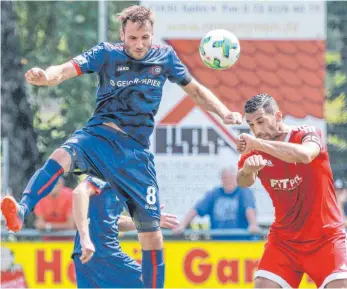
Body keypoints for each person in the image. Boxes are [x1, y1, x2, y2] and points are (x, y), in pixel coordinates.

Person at [0, 5, 242, 288]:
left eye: (145, 38)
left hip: (134, 154)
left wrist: (224, 112)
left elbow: (196, 91)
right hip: (99, 136)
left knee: (151, 235)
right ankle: (21, 210)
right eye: (132, 38)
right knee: (61, 154)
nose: (139, 45)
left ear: (152, 35)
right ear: (122, 35)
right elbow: (66, 69)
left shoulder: (165, 58)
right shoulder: (106, 54)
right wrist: (47, 77)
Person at [237, 93, 347, 288]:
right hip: (284, 242)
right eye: (251, 125)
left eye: (261, 121)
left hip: (326, 238)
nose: (257, 130)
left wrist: (259, 144)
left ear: (278, 117)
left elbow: (305, 155)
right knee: (262, 285)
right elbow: (243, 181)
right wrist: (248, 170)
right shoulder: (254, 151)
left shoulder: (306, 133)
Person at [72, 176, 178, 288]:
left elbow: (113, 221)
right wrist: (85, 238)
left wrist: (148, 220)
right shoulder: (104, 174)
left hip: (84, 255)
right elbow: (79, 192)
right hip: (103, 253)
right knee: (151, 284)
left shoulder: (119, 183)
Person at [173, 167, 260, 239]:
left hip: (239, 242)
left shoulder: (243, 191)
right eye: (225, 178)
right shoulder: (215, 194)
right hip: (218, 243)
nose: (228, 180)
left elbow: (249, 209)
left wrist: (253, 225)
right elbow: (196, 209)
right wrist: (182, 225)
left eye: (231, 177)